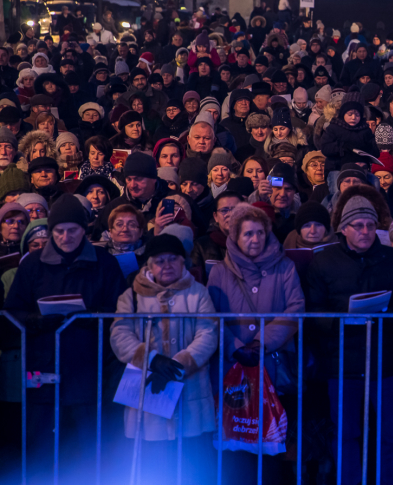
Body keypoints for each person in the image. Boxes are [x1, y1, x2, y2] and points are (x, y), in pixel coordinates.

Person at [3, 195, 127, 472]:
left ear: (84, 230)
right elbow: (12, 310)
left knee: (88, 446)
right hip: (42, 364)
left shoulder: (103, 263)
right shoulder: (33, 264)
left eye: (72, 230)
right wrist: (34, 320)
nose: (65, 236)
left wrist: (90, 316)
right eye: (59, 231)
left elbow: (120, 310)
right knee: (40, 446)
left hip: (89, 366)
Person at [306, 194, 393, 485]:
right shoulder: (323, 262)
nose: (365, 231)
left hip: (385, 361)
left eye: (369, 225)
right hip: (342, 362)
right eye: (357, 226)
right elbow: (312, 310)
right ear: (343, 229)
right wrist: (339, 321)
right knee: (346, 434)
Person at [206, 203, 305, 480]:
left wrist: (262, 342)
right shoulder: (220, 271)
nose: (255, 239)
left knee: (270, 443)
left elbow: (295, 308)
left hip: (271, 365)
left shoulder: (284, 266)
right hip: (232, 369)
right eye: (248, 234)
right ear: (235, 235)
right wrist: (236, 347)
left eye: (260, 233)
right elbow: (211, 316)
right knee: (235, 442)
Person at [109, 234, 218, 482]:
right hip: (147, 389)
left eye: (173, 259)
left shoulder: (198, 293)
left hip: (191, 391)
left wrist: (179, 364)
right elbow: (120, 334)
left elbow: (208, 333)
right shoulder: (131, 297)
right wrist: (153, 361)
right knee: (153, 462)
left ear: (183, 262)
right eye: (159, 260)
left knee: (193, 464)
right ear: (149, 265)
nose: (166, 265)